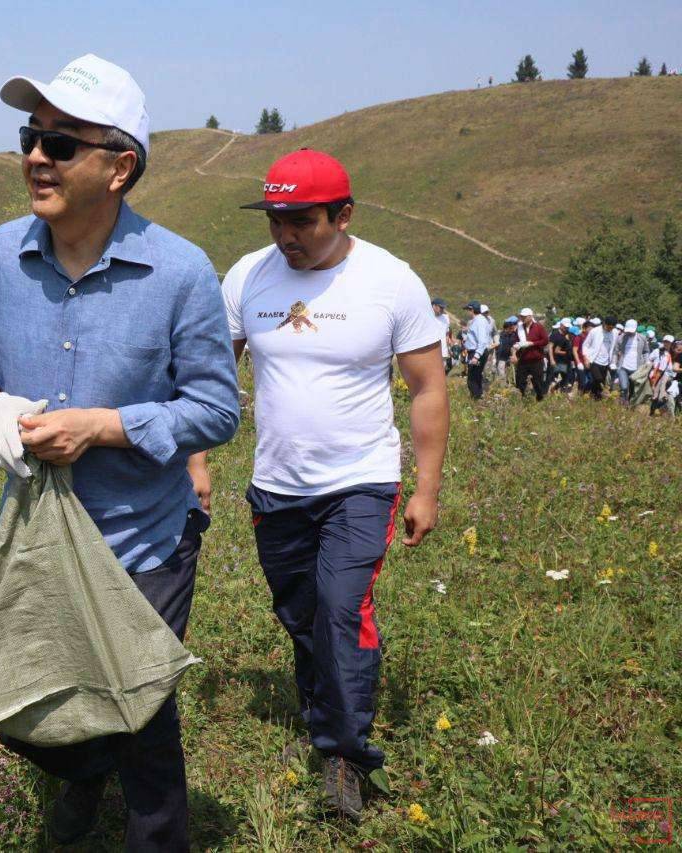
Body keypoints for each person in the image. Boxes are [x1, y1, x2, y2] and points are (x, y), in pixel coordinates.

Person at [0, 53, 239, 849]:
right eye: (32, 137)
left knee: (139, 705)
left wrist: (100, 427)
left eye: (63, 144)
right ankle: (73, 796)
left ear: (120, 167)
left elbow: (215, 410)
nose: (37, 156)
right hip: (38, 537)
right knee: (52, 687)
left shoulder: (181, 273)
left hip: (144, 537)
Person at [220, 148, 448, 821]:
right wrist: (194, 460)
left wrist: (426, 488)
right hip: (277, 486)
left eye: (302, 221)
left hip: (361, 482)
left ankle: (346, 755)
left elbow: (428, 386)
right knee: (303, 615)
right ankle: (328, 702)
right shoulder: (246, 279)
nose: (285, 234)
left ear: (343, 214)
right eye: (275, 220)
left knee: (343, 608)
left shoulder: (390, 281)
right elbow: (210, 371)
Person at [513, 308, 548, 401]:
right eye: (521, 316)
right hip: (523, 359)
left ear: (530, 316)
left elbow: (545, 341)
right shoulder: (519, 328)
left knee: (538, 382)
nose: (522, 318)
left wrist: (532, 343)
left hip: (536, 360)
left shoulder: (538, 327)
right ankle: (522, 400)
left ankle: (540, 399)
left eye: (524, 316)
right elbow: (515, 341)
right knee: (520, 381)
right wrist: (516, 347)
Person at [462, 301, 492, 399]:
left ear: (472, 310)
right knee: (476, 376)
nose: (467, 312)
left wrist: (476, 356)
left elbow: (482, 341)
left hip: (477, 352)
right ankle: (478, 397)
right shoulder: (478, 320)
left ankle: (476, 399)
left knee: (472, 378)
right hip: (475, 351)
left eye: (468, 310)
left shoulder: (480, 321)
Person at [614, 319, 648, 405]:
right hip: (623, 366)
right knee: (624, 387)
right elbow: (615, 351)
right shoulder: (621, 337)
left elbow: (646, 351)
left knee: (633, 389)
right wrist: (613, 363)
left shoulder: (642, 338)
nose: (629, 333)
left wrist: (646, 361)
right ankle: (623, 403)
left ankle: (630, 405)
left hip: (636, 368)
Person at [582, 317, 610, 400]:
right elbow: (585, 345)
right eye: (609, 327)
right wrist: (585, 358)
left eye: (612, 327)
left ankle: (596, 397)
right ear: (604, 324)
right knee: (598, 379)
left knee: (598, 381)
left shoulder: (614, 332)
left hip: (605, 362)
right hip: (593, 360)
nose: (610, 329)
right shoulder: (594, 331)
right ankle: (586, 392)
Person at [431, 297, 453, 373]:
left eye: (443, 308)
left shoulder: (446, 318)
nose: (443, 309)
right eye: (441, 307)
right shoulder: (427, 316)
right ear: (434, 306)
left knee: (441, 372)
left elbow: (447, 334)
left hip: (442, 350)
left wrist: (449, 348)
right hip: (430, 350)